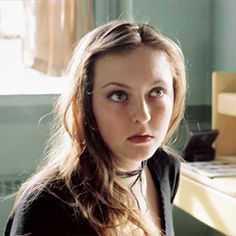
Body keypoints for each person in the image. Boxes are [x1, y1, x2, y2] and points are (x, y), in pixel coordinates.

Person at [5, 20, 186, 236]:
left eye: (157, 92)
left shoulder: (164, 167)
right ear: (84, 105)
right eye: (118, 95)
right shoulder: (47, 205)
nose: (142, 115)